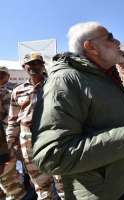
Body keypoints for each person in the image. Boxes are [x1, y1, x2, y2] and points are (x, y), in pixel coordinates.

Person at [31, 21, 124, 200]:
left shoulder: (104, 76)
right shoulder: (65, 81)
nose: (118, 42)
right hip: (103, 192)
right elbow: (52, 155)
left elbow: (112, 121)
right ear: (91, 47)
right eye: (110, 38)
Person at [6, 53, 65, 200]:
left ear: (43, 65)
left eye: (37, 63)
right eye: (30, 64)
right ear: (24, 67)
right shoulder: (17, 91)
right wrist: (10, 142)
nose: (33, 67)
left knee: (62, 180)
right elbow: (13, 120)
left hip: (52, 136)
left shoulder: (54, 85)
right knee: (40, 184)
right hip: (27, 140)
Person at [0, 66, 28, 200]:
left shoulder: (6, 93)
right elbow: (11, 119)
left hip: (6, 144)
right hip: (5, 145)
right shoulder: (5, 93)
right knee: (10, 183)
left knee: (10, 181)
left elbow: (11, 119)